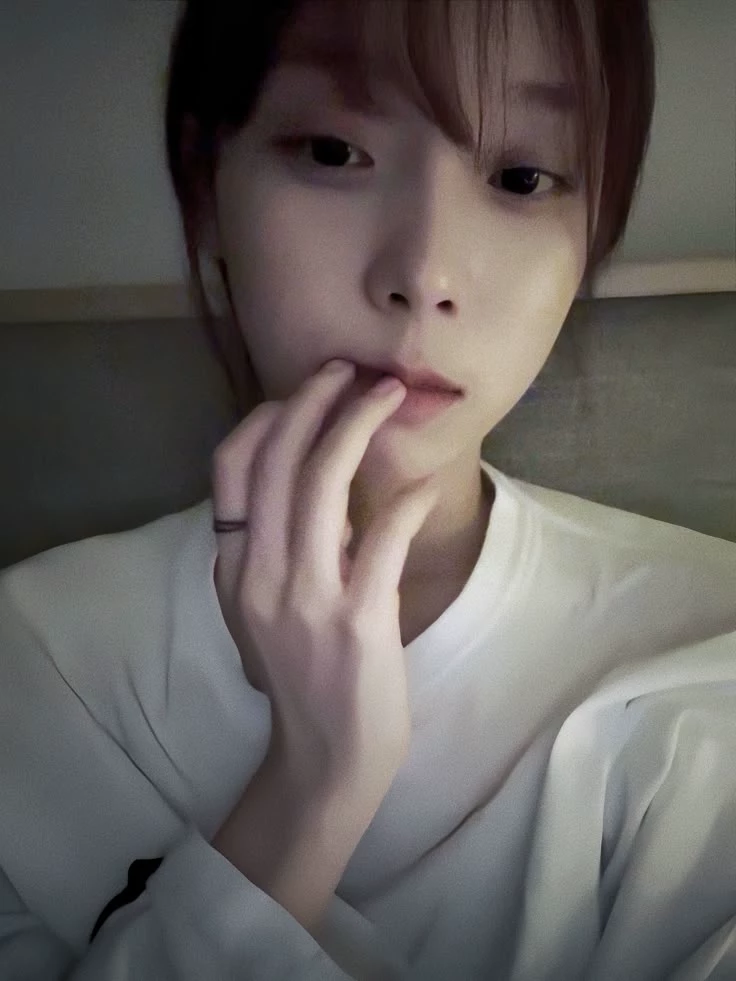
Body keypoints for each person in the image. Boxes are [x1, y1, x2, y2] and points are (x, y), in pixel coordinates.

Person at [1, 0, 735, 978]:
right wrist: (310, 789)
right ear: (206, 181)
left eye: (522, 176)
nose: (423, 273)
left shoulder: (708, 654)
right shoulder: (30, 666)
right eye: (333, 152)